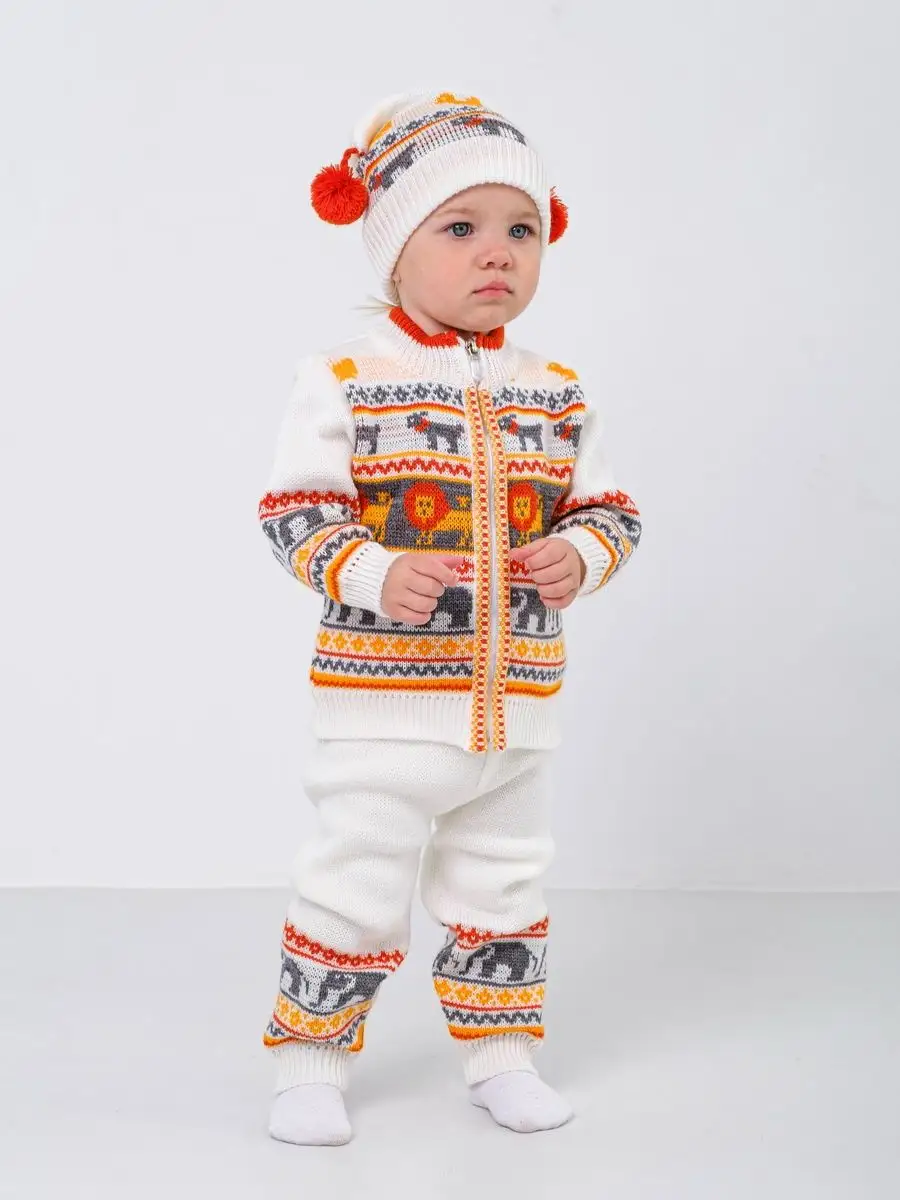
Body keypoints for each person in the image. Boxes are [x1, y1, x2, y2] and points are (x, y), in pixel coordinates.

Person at [257, 91, 642, 1145]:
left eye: (522, 229)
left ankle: (502, 1057)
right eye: (460, 226)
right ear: (393, 248)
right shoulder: (347, 382)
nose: (498, 252)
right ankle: (308, 1064)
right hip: (383, 717)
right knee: (353, 890)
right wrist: (373, 572)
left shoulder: (557, 394)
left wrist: (583, 554)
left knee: (504, 891)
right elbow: (295, 514)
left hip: (515, 720)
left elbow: (611, 511)